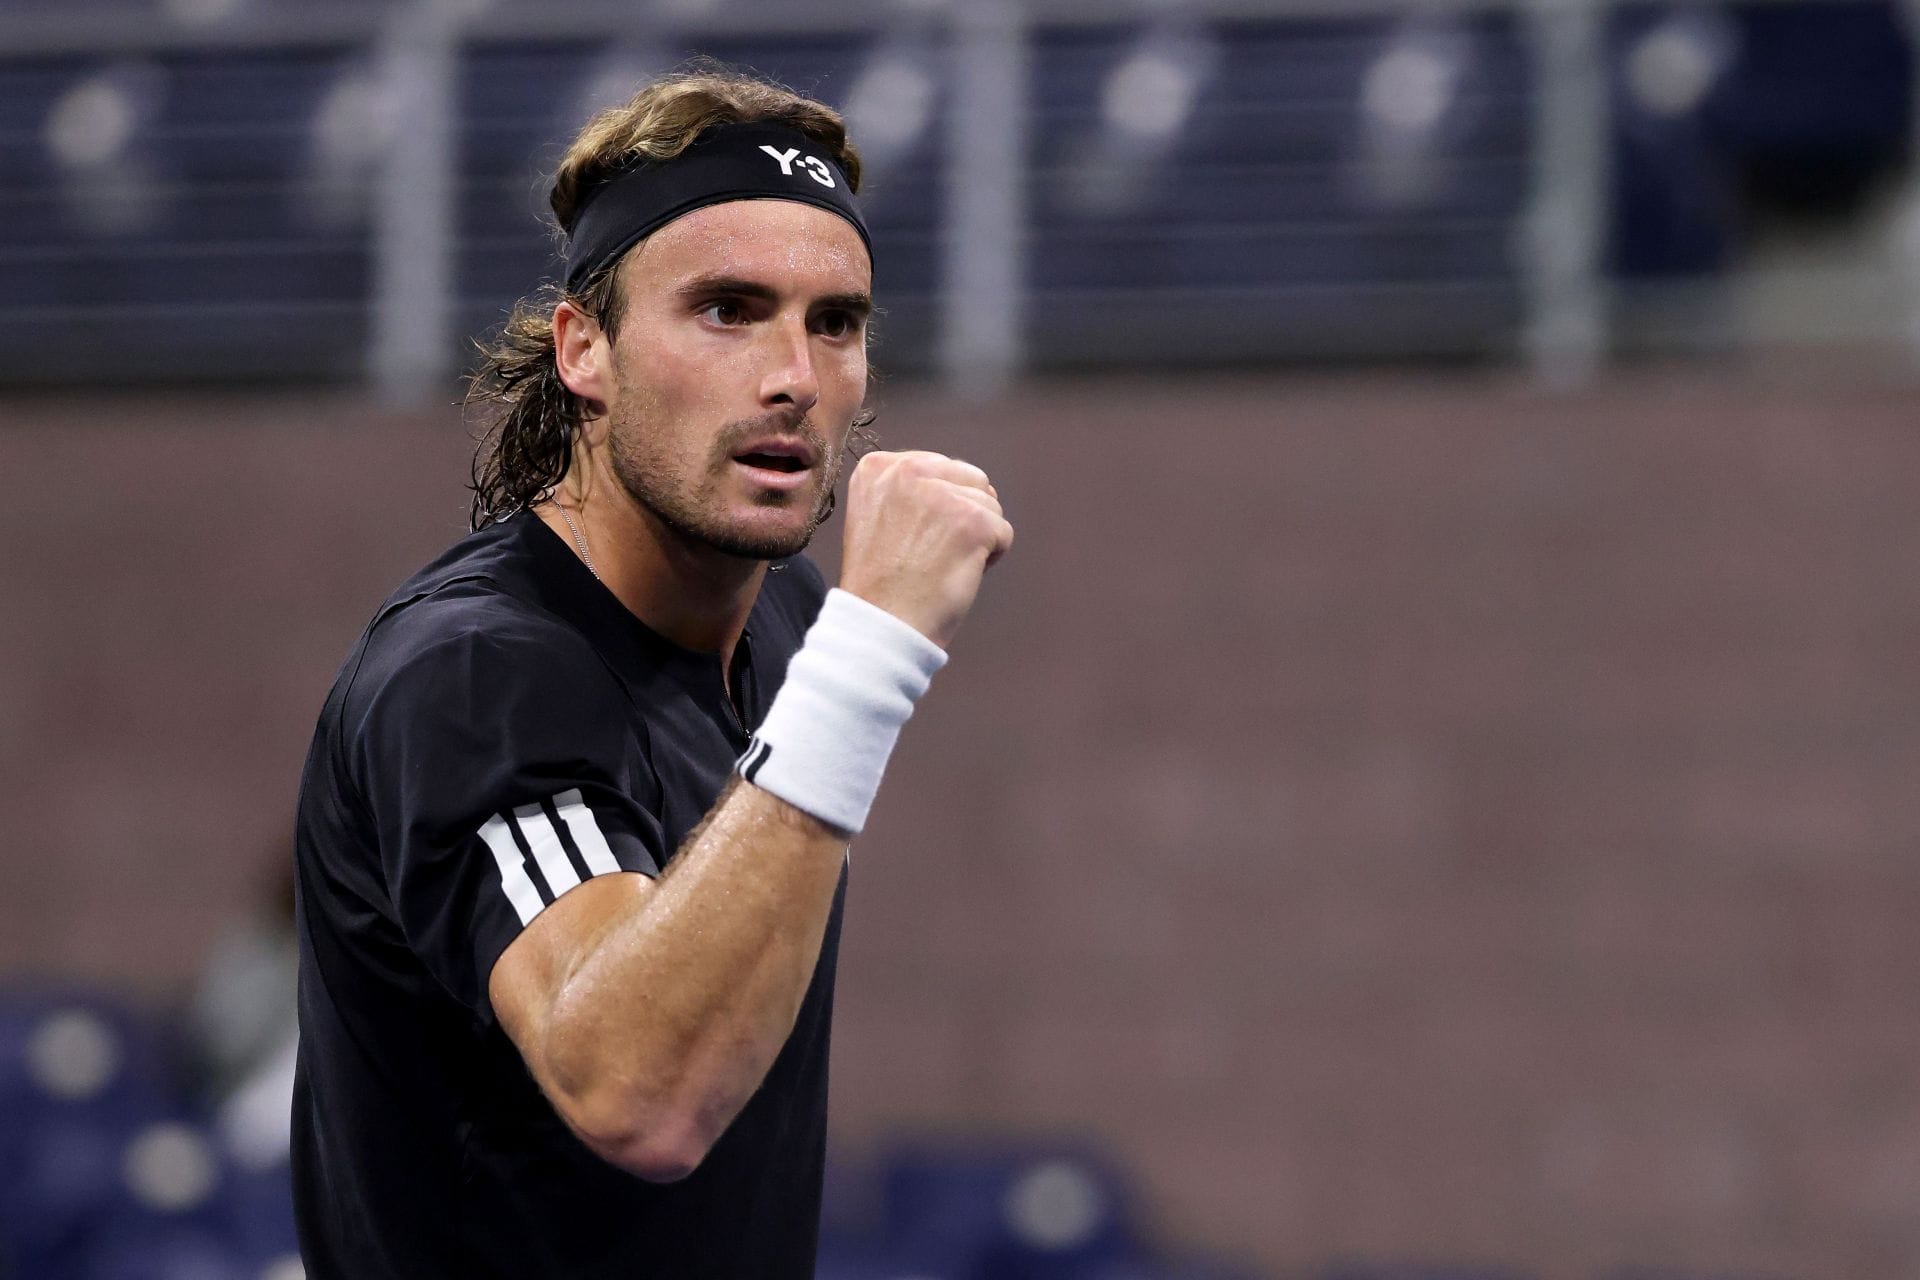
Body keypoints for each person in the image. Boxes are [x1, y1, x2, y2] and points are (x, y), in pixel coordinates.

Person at [289, 68, 1013, 1278]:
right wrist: (874, 651)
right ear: (587, 349)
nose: (793, 375)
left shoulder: (787, 615)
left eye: (834, 321)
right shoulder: (475, 675)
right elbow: (640, 1093)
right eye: (727, 310)